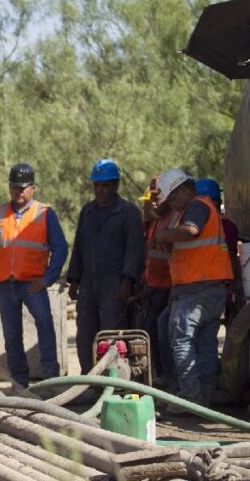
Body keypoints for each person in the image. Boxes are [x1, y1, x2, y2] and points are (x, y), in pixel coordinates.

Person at [0, 163, 69, 390]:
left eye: (23, 187)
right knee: (12, 336)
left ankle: (50, 381)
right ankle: (19, 384)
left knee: (45, 327)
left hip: (32, 285)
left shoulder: (45, 213)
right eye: (15, 187)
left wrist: (47, 279)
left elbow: (61, 248)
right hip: (6, 285)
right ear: (10, 188)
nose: (19, 192)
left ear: (33, 189)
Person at [153, 168, 233, 408]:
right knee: (206, 344)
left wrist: (163, 235)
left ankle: (190, 398)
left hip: (196, 289)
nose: (173, 205)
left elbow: (191, 231)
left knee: (182, 341)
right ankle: (204, 397)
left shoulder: (196, 207)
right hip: (209, 287)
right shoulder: (200, 206)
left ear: (184, 189)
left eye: (174, 198)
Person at [66, 158, 145, 373]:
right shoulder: (87, 212)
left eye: (105, 185)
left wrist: (127, 281)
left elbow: (135, 249)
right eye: (97, 185)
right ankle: (88, 379)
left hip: (114, 283)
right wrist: (74, 279)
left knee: (111, 334)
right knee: (85, 334)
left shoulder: (128, 213)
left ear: (115, 185)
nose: (100, 190)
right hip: (89, 283)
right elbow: (79, 245)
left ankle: (112, 378)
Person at [138, 185, 179, 388]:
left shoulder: (173, 221)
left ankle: (167, 376)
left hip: (168, 287)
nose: (153, 202)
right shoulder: (157, 222)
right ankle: (159, 374)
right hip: (153, 286)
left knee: (162, 330)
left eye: (157, 197)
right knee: (151, 331)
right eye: (150, 198)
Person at [196, 177, 243, 325]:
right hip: (213, 284)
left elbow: (231, 257)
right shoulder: (227, 226)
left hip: (211, 285)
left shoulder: (225, 227)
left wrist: (233, 287)